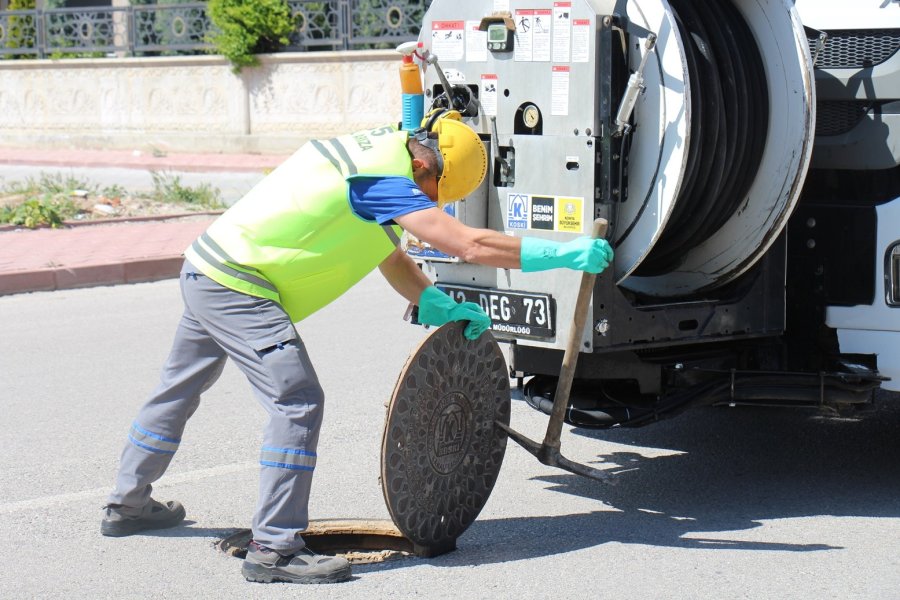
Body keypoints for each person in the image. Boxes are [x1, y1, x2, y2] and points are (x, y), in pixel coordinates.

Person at [100, 110, 614, 585]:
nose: (431, 205)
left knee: (178, 388)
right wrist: (563, 254)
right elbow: (467, 244)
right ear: (423, 165)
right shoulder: (386, 180)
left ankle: (128, 503)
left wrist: (436, 302)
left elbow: (386, 254)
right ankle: (274, 549)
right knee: (298, 401)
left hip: (207, 270)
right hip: (241, 286)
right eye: (434, 193)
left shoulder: (372, 159)